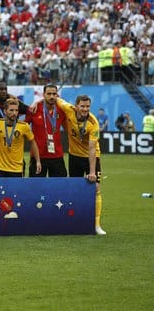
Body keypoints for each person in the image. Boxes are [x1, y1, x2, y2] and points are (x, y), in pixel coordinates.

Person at [56, 95, 106, 235]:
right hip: (74, 156)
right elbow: (55, 98)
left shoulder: (93, 123)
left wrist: (92, 172)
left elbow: (91, 148)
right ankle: (75, 221)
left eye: (87, 106)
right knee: (74, 188)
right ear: (76, 106)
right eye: (82, 106)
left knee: (96, 187)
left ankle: (96, 225)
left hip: (92, 157)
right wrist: (37, 102)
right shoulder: (68, 109)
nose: (85, 109)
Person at [0, 99, 41, 177]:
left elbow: (32, 142)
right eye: (11, 110)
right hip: (0, 168)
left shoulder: (24, 126)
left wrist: (38, 161)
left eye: (16, 110)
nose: (14, 113)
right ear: (5, 111)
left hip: (16, 169)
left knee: (15, 190)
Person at [24, 84, 68, 177]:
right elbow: (24, 127)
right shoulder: (33, 109)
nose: (51, 96)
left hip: (57, 156)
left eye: (54, 94)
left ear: (57, 95)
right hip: (37, 157)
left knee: (60, 189)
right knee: (35, 189)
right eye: (49, 94)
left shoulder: (62, 109)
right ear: (43, 95)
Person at [0, 80, 28, 175]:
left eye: (5, 89)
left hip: (14, 148)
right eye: (0, 89)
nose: (4, 91)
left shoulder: (13, 103)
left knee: (16, 181)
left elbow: (30, 110)